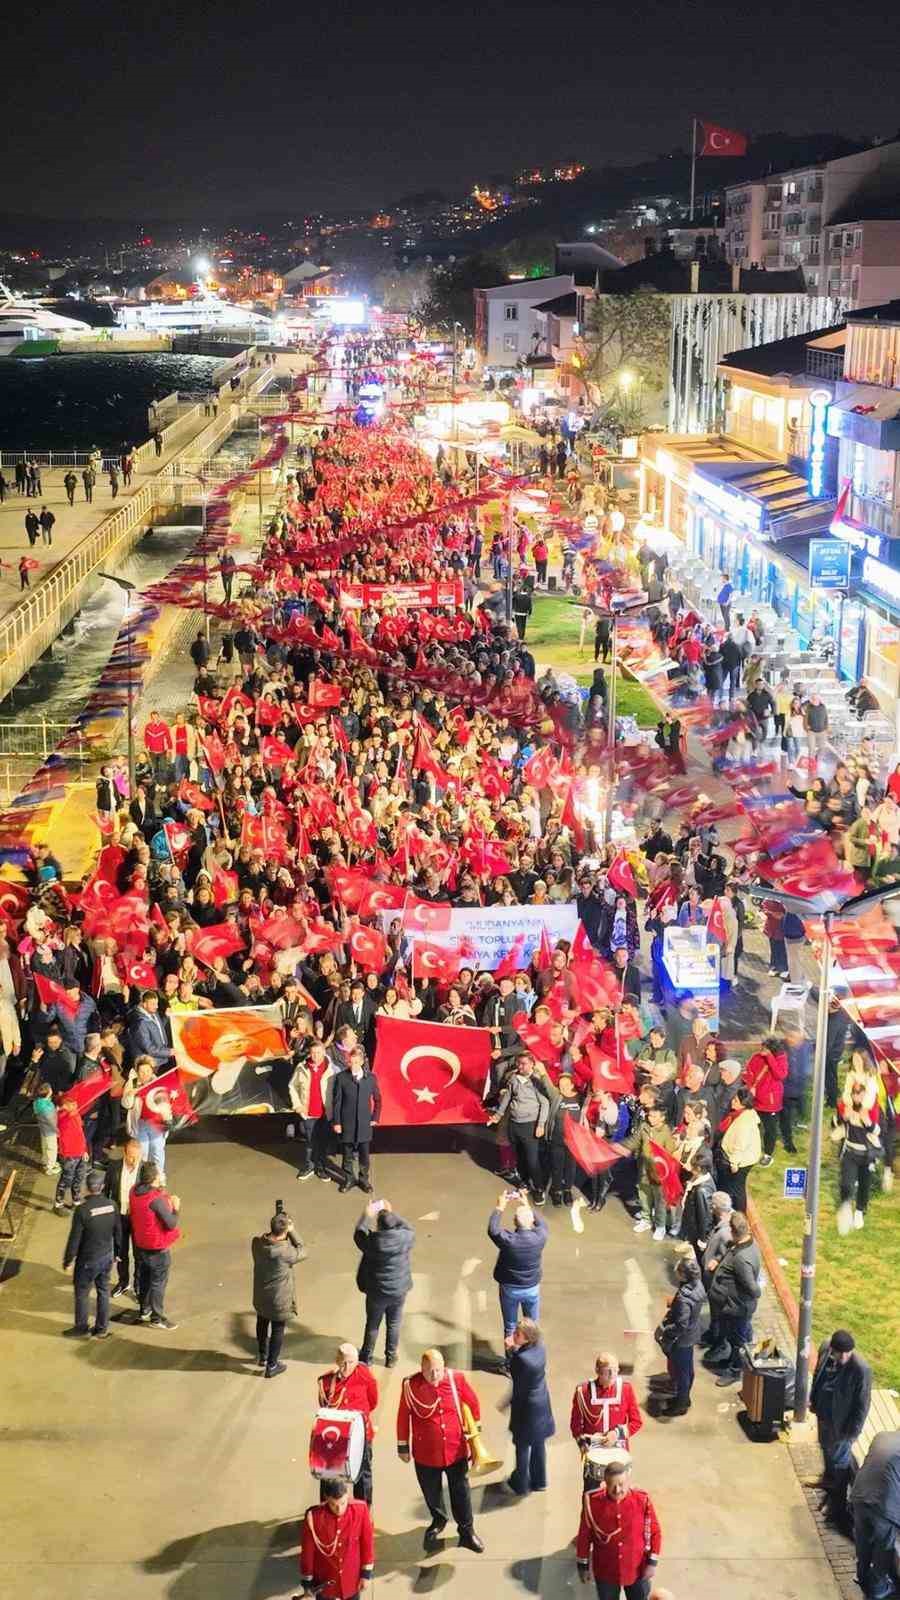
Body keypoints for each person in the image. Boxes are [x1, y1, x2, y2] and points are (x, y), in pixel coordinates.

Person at [396, 1348, 484, 1553]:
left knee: (461, 1493)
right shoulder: (410, 1385)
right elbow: (403, 1416)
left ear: (444, 1366)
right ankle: (438, 1519)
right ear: (421, 1368)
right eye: (429, 1371)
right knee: (431, 1493)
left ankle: (467, 1531)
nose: (434, 1375)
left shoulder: (456, 1379)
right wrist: (403, 1446)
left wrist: (475, 1434)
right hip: (426, 1453)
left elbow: (473, 1402)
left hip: (455, 1450)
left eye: (438, 1370)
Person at [809, 1329, 873, 1528]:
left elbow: (862, 1405)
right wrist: (814, 1400)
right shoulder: (825, 1348)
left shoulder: (861, 1370)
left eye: (848, 1353)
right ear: (832, 1350)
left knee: (840, 1464)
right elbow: (817, 1375)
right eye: (840, 1353)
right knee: (827, 1452)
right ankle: (829, 1483)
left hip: (842, 1427)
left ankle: (837, 1505)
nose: (843, 1357)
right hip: (824, 1417)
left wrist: (852, 1433)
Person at [576, 1458, 661, 1599]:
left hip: (637, 1569)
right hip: (606, 1571)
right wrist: (583, 1565)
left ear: (628, 1481)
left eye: (621, 1484)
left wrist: (652, 1563)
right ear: (605, 1483)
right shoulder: (592, 1502)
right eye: (612, 1485)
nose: (617, 1490)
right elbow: (584, 1536)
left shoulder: (642, 1500)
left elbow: (655, 1533)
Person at [354, 1198, 414, 1368]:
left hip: (377, 1292)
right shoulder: (405, 1237)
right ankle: (391, 1357)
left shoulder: (372, 1242)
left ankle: (366, 1356)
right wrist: (391, 1213)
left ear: (378, 1226)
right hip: (399, 1290)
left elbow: (359, 1233)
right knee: (394, 1323)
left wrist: (367, 1214)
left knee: (373, 1324)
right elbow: (409, 1227)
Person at [61, 1167, 120, 1340]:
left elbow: (75, 1238)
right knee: (103, 1291)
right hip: (106, 1256)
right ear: (102, 1187)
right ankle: (102, 1328)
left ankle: (81, 1327)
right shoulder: (112, 1205)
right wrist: (117, 1252)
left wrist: (68, 1260)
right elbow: (118, 1231)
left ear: (87, 1188)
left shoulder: (83, 1210)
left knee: (82, 1293)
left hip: (87, 1260)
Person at [317, 1343, 379, 1503]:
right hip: (336, 1436)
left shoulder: (365, 1376)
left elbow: (373, 1402)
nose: (347, 1367)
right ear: (337, 1361)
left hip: (361, 1436)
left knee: (363, 1475)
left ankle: (364, 1509)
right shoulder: (327, 1382)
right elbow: (324, 1410)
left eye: (351, 1362)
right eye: (343, 1362)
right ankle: (328, 1507)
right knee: (329, 1475)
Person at [705, 1209, 761, 1386]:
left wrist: (757, 1291)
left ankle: (735, 1370)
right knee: (733, 1337)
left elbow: (753, 1288)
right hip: (730, 1306)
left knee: (738, 1341)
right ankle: (731, 1360)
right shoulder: (741, 1244)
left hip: (737, 1308)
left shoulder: (742, 1259)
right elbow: (729, 1250)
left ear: (734, 1231)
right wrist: (718, 1260)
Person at [488, 1053, 551, 1202]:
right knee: (520, 1158)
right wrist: (497, 1115)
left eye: (523, 1063)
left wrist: (540, 1124)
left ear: (532, 1064)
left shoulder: (536, 1081)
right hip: (514, 1124)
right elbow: (508, 1097)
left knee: (532, 1160)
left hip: (530, 1126)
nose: (520, 1066)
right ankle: (524, 1184)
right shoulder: (514, 1078)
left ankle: (539, 1189)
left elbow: (545, 1103)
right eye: (518, 1063)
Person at [298, 1476, 374, 1599]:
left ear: (347, 1495)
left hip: (351, 1577)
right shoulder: (314, 1517)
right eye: (333, 1504)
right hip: (325, 1579)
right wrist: (308, 1583)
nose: (339, 1509)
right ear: (326, 1498)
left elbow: (367, 1544)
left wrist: (365, 1574)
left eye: (343, 1503)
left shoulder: (360, 1509)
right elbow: (308, 1552)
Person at [251, 1209, 306, 1379]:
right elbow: (303, 1250)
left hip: (261, 1295)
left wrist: (283, 1229)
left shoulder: (256, 1243)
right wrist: (292, 1231)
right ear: (285, 1231)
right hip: (279, 1300)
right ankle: (272, 1365)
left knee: (262, 1323)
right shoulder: (285, 1252)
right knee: (277, 1329)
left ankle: (263, 1355)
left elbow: (269, 1240)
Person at [488, 1190, 548, 1341]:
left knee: (510, 1326)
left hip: (510, 1288)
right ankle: (532, 1351)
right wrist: (526, 1204)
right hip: (531, 1287)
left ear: (515, 1221)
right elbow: (542, 1223)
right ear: (531, 1221)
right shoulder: (540, 1236)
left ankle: (511, 1353)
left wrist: (500, 1206)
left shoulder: (509, 1241)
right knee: (532, 1326)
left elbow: (493, 1230)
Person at [129, 1159, 181, 1331]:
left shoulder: (134, 1191)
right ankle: (157, 1318)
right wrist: (176, 1207)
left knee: (144, 1278)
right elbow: (171, 1223)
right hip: (157, 1248)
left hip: (140, 1244)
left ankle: (144, 1309)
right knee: (158, 1283)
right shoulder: (156, 1200)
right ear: (154, 1178)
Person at [505, 1317, 554, 1495]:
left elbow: (514, 1372)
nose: (514, 1336)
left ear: (527, 1338)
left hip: (526, 1409)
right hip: (542, 1403)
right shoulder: (541, 1347)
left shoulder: (521, 1359)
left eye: (518, 1334)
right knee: (539, 1443)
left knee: (522, 1445)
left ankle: (521, 1483)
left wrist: (511, 1350)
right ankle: (540, 1481)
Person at [850, 1428, 900, 1600]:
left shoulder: (882, 1436)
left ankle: (862, 1574)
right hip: (884, 1504)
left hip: (860, 1493)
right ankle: (878, 1587)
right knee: (884, 1545)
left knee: (863, 1539)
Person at [653, 1255, 705, 1416]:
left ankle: (681, 1404)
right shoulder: (698, 1285)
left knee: (682, 1372)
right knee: (687, 1369)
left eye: (678, 1272)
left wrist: (666, 1330)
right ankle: (684, 1398)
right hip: (691, 1334)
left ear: (683, 1274)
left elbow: (681, 1324)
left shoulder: (684, 1297)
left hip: (681, 1339)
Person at [570, 1352, 643, 1462]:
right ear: (598, 1371)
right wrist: (582, 1445)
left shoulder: (626, 1389)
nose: (612, 1374)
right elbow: (575, 1424)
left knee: (618, 1473)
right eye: (607, 1371)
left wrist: (617, 1433)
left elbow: (636, 1422)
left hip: (619, 1449)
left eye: (615, 1370)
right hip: (593, 1449)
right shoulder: (583, 1392)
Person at [332, 1052, 381, 1193]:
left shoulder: (370, 1078)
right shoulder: (341, 1078)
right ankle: (349, 1179)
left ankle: (364, 1180)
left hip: (364, 1123)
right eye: (350, 1062)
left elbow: (378, 1099)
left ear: (361, 1062)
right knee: (347, 1154)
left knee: (364, 1155)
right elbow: (337, 1102)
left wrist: (375, 1117)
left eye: (356, 1062)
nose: (352, 1065)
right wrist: (337, 1122)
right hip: (347, 1123)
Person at [105, 1137, 142, 1298]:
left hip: (137, 1219)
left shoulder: (145, 1169)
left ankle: (138, 1286)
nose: (134, 1160)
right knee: (121, 1252)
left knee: (139, 1254)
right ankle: (123, 1282)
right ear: (125, 1154)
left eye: (137, 1157)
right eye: (131, 1157)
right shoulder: (114, 1167)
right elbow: (106, 1192)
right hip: (119, 1217)